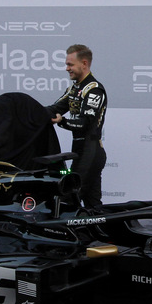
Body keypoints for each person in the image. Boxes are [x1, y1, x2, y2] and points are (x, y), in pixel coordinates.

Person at [48, 43, 107, 211]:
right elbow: (55, 108)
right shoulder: (74, 89)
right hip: (81, 152)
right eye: (66, 64)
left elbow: (85, 123)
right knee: (93, 204)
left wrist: (62, 122)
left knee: (68, 199)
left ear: (84, 64)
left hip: (91, 151)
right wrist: (30, 111)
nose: (67, 68)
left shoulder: (94, 90)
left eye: (70, 64)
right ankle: (102, 235)